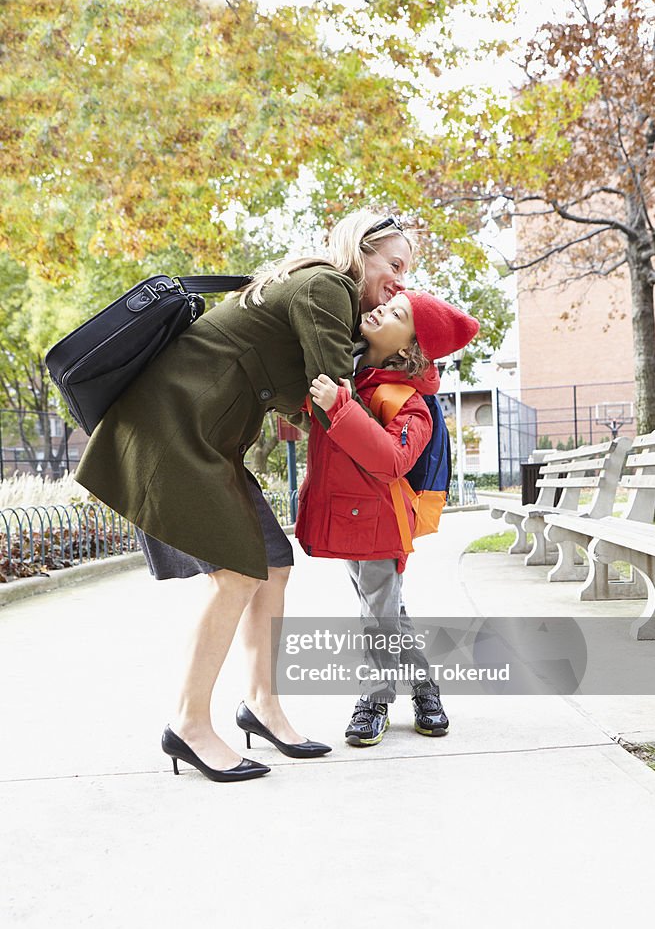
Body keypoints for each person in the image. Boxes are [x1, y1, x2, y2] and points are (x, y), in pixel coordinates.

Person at [74, 210, 413, 782]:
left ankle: (262, 704)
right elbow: (334, 396)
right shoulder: (327, 284)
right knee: (236, 574)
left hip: (207, 436)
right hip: (177, 430)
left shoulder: (313, 286)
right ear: (362, 250)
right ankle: (188, 724)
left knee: (273, 564)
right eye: (395, 264)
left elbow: (301, 399)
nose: (401, 280)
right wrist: (388, 350)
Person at [295, 289, 479, 746]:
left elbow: (392, 461)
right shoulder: (352, 376)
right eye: (386, 304)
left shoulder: (410, 403)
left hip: (381, 525)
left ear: (408, 348)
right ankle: (426, 688)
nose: (380, 309)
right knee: (388, 611)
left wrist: (340, 407)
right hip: (347, 517)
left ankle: (374, 698)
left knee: (376, 615)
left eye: (397, 313)